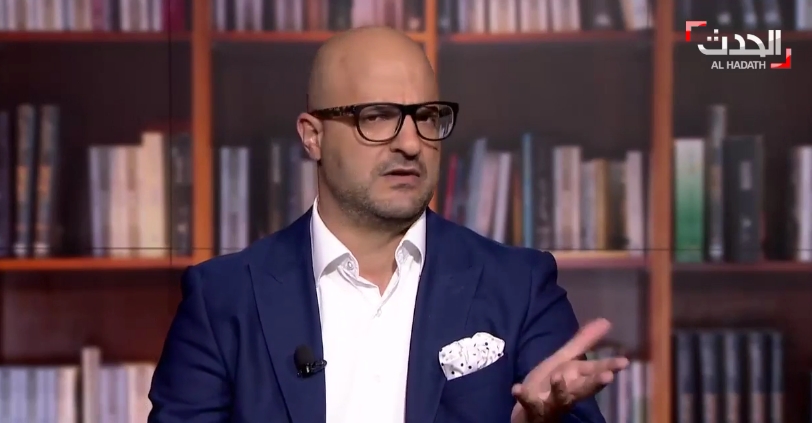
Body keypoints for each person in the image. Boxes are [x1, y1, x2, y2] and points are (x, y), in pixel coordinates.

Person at [148, 26, 629, 423]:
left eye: (427, 117)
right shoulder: (223, 298)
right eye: (377, 117)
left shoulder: (520, 286)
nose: (411, 144)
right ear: (313, 136)